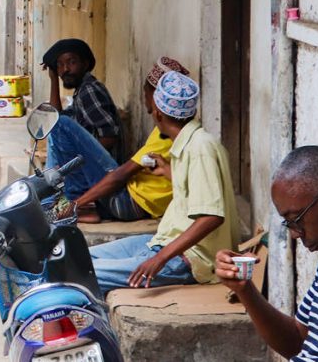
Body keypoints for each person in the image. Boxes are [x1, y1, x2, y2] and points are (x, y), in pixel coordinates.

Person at [88, 71, 239, 295]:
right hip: (164, 240)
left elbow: (211, 216)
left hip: (189, 258)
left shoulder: (199, 148)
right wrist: (168, 172)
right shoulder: (189, 143)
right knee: (81, 257)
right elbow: (196, 190)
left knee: (82, 274)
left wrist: (160, 258)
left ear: (158, 113)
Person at [215, 146, 318, 361]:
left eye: (297, 218)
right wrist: (244, 289)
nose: (294, 234)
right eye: (289, 223)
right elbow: (297, 342)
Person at [55, 57, 188, 223]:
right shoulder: (182, 130)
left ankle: (80, 205)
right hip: (137, 204)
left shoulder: (167, 134)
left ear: (156, 97)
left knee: (62, 124)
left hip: (126, 202)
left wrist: (77, 203)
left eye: (145, 91)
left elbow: (120, 175)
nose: (144, 97)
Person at [44, 38, 123, 157]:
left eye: (71, 62)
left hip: (100, 169)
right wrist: (54, 79)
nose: (65, 69)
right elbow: (57, 119)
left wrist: (82, 162)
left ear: (85, 64)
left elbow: (109, 136)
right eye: (60, 64)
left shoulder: (88, 90)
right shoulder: (81, 90)